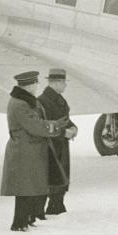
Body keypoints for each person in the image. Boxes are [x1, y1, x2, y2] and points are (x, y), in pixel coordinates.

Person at [0, 71, 73, 231]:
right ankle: (19, 223)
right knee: (24, 189)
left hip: (30, 151)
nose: (36, 86)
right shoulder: (19, 104)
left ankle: (28, 218)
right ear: (30, 85)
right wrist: (57, 129)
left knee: (30, 187)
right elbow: (35, 126)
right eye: (35, 84)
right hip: (24, 151)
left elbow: (39, 122)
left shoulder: (27, 102)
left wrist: (56, 124)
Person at [37, 68, 78, 216]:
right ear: (56, 83)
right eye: (63, 82)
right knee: (52, 177)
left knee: (61, 176)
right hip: (51, 146)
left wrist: (73, 127)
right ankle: (46, 209)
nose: (65, 85)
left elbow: (64, 119)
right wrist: (63, 133)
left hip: (61, 145)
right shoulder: (42, 101)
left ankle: (57, 206)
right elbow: (44, 125)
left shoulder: (58, 99)